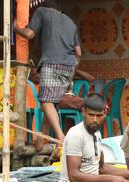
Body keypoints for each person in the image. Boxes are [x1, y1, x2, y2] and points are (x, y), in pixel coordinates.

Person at [14, 0, 80, 144]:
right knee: (51, 104)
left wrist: (16, 28)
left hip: (52, 63)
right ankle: (41, 140)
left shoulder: (42, 11)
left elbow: (29, 34)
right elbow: (78, 53)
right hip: (69, 66)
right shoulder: (70, 22)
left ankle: (60, 137)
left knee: (45, 102)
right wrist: (73, 69)